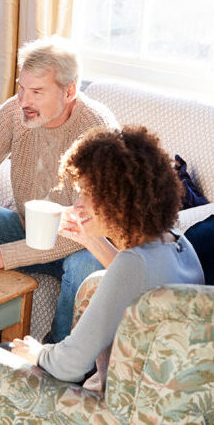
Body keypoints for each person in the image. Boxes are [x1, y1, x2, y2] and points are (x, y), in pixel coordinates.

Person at [0, 35, 118, 343]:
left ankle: (54, 363)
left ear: (69, 91)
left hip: (79, 244)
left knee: (86, 266)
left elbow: (86, 229)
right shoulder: (17, 111)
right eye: (21, 87)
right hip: (29, 231)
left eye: (37, 92)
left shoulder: (97, 130)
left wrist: (2, 256)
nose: (24, 100)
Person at [10, 126, 204, 390]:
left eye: (89, 195)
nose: (77, 204)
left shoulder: (132, 264)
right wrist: (90, 238)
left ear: (121, 201)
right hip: (157, 399)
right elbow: (138, 283)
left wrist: (38, 352)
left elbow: (68, 366)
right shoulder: (178, 244)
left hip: (111, 408)